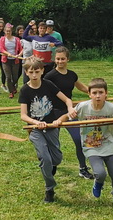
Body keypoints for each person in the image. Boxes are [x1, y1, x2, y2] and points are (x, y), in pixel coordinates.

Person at [18, 57, 74, 203]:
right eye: (31, 72)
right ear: (26, 72)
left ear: (42, 71)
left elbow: (67, 100)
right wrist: (36, 123)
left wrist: (70, 108)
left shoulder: (48, 85)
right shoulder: (24, 90)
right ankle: (49, 189)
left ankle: (50, 165)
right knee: (45, 158)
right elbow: (23, 115)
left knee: (56, 158)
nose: (34, 75)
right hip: (35, 129)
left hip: (51, 126)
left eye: (37, 71)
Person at [69, 77, 113, 205]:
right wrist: (64, 117)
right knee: (100, 173)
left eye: (101, 92)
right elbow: (68, 116)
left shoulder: (111, 108)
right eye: (94, 93)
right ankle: (98, 182)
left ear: (106, 93)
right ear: (89, 94)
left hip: (109, 146)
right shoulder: (83, 107)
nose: (98, 96)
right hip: (91, 146)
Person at [44, 47, 93, 180]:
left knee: (79, 139)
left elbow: (80, 86)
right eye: (58, 59)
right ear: (55, 59)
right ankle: (52, 165)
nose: (60, 61)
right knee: (53, 142)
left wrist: (93, 93)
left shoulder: (72, 75)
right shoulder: (50, 76)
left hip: (69, 112)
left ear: (68, 59)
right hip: (52, 113)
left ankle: (83, 168)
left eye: (63, 59)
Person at [0, 23, 23, 98]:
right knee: (8, 77)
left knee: (15, 77)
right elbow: (1, 49)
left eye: (9, 31)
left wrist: (19, 55)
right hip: (6, 61)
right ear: (4, 31)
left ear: (11, 31)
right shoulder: (2, 39)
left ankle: (13, 87)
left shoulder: (17, 39)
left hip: (15, 60)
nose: (8, 32)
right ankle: (11, 92)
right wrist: (7, 53)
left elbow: (21, 49)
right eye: (7, 31)